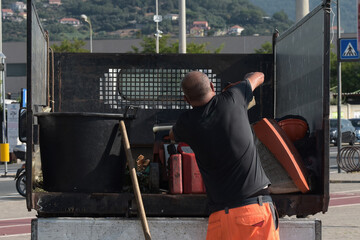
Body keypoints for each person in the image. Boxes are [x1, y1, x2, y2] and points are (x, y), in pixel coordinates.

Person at [169, 71, 280, 240]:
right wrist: (239, 85)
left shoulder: (186, 123)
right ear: (213, 87)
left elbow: (171, 135)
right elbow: (259, 76)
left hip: (219, 219)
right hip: (253, 213)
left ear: (186, 100)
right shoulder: (234, 97)